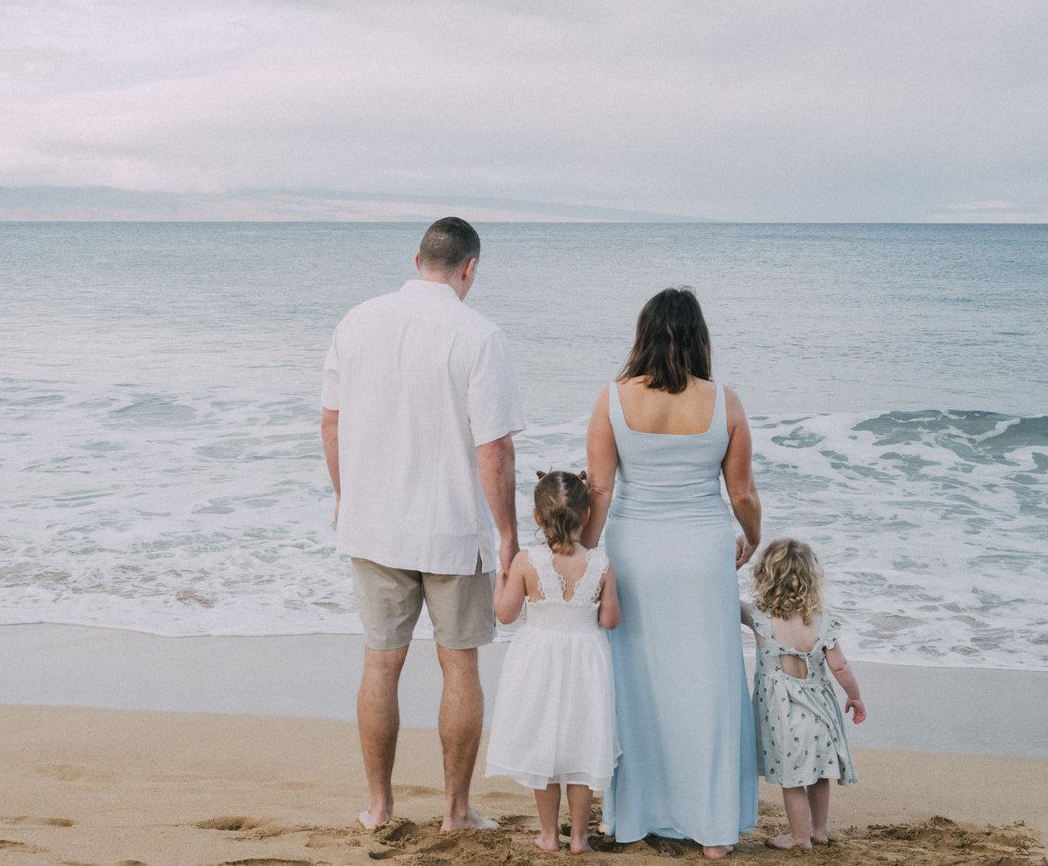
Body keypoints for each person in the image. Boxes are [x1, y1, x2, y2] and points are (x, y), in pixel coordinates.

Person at [321, 216, 526, 832]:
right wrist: (509, 535)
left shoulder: (357, 321)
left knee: (380, 664)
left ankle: (379, 807)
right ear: (470, 268)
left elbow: (331, 422)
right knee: (459, 666)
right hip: (452, 529)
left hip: (373, 524)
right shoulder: (479, 336)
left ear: (417, 260)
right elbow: (494, 450)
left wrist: (345, 495)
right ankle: (455, 811)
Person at [582, 287, 762, 857]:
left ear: (643, 334)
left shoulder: (612, 399)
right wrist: (753, 537)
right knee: (708, 682)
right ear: (698, 337)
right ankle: (713, 829)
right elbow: (742, 494)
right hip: (702, 553)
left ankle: (637, 817)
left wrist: (584, 560)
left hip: (635, 551)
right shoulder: (725, 402)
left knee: (637, 684)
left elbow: (600, 491)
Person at [485, 470, 622, 854]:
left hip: (538, 663)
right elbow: (611, 620)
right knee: (582, 748)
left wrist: (500, 584)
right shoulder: (601, 563)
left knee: (544, 744)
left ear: (537, 517)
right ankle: (579, 838)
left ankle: (549, 835)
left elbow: (506, 614)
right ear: (587, 515)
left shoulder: (527, 561)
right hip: (587, 662)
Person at [740, 538, 864, 850]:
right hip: (820, 713)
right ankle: (818, 831)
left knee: (793, 779)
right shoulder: (821, 620)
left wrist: (732, 563)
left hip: (783, 716)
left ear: (765, 577)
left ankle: (798, 837)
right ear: (811, 578)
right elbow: (840, 666)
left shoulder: (759, 617)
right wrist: (855, 697)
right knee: (819, 773)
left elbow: (727, 601)